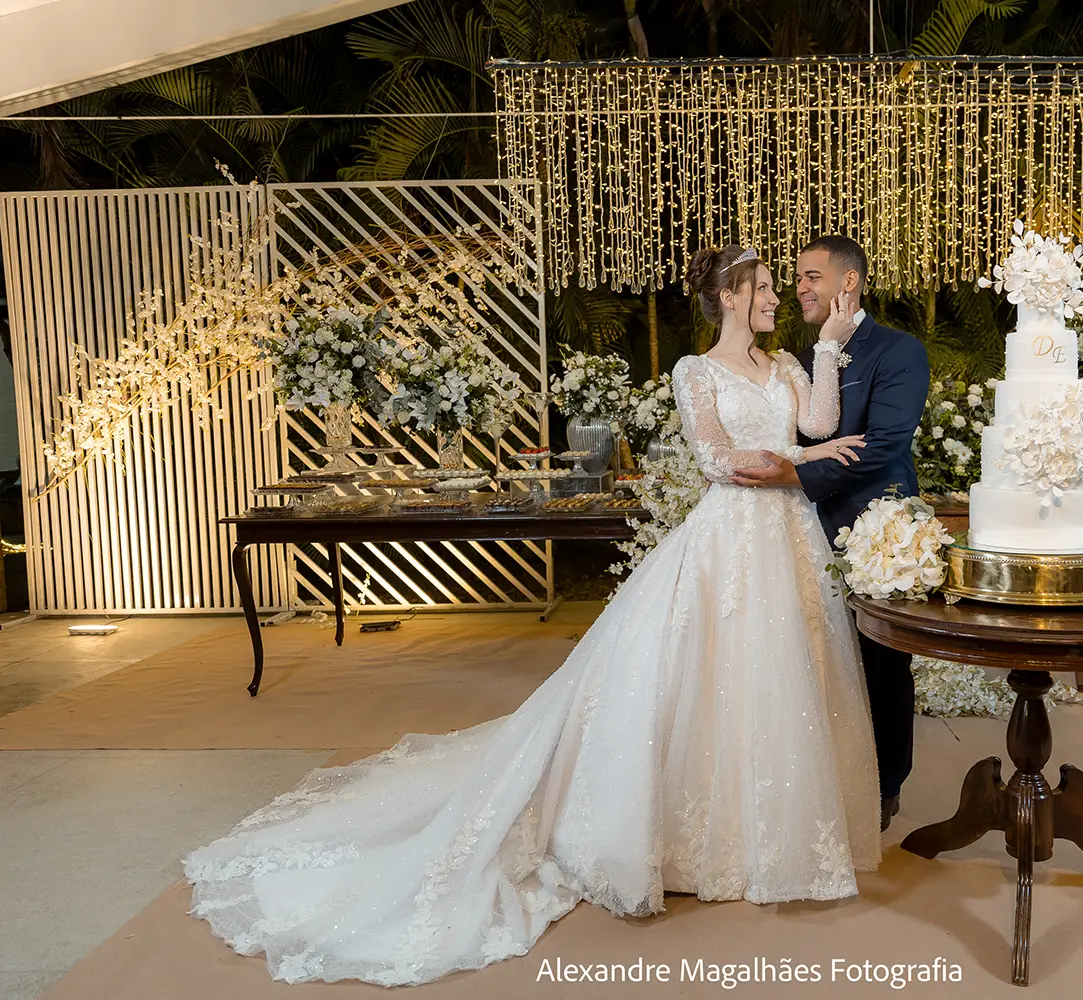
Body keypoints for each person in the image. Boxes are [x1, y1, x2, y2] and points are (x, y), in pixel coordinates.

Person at [180, 245, 881, 987]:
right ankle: (697, 837)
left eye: (775, 287)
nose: (775, 298)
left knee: (778, 677)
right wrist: (809, 461)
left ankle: (764, 833)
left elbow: (820, 422)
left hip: (787, 539)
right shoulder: (695, 372)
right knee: (713, 673)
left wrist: (829, 347)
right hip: (729, 538)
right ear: (730, 298)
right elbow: (718, 462)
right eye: (763, 288)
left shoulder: (788, 365)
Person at [731, 236, 930, 832]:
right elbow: (797, 434)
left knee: (880, 662)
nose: (799, 288)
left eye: (811, 277)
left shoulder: (898, 350)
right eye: (795, 278)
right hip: (796, 527)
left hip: (875, 529)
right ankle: (821, 782)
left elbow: (884, 444)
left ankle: (885, 786)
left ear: (849, 282)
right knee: (810, 661)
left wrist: (795, 474)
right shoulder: (799, 357)